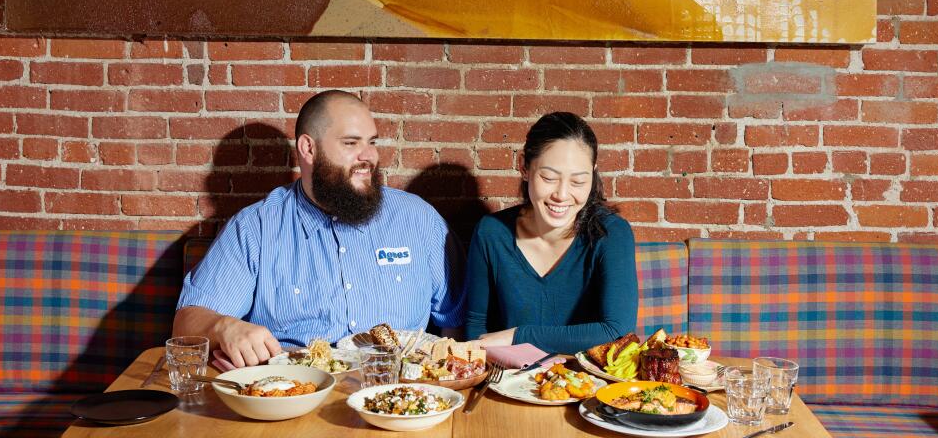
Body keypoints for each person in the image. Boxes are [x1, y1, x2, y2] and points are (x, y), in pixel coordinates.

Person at [174, 90, 465, 367]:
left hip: (399, 397)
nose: (369, 157)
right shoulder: (256, 228)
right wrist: (224, 327)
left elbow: (459, 321)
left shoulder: (418, 219)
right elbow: (186, 323)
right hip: (295, 395)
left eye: (372, 142)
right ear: (308, 149)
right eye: (351, 143)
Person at [464, 111, 637, 355]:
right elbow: (475, 328)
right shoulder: (491, 233)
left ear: (593, 174)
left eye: (578, 182)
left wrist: (518, 335)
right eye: (549, 177)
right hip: (508, 381)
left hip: (588, 386)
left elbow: (617, 331)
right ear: (524, 167)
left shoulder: (611, 233)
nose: (562, 194)